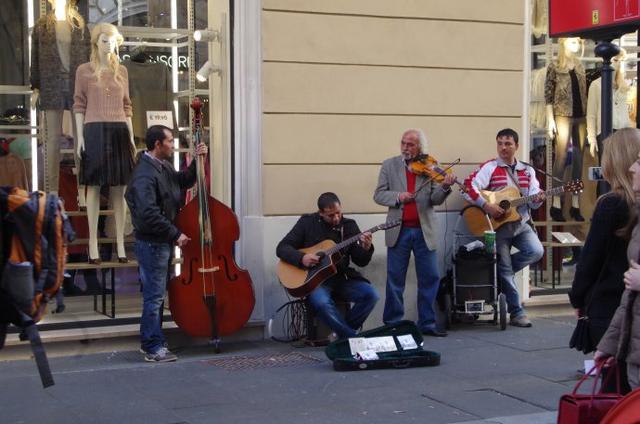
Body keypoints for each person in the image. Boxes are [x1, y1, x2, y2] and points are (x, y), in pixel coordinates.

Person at [125, 125, 207, 362]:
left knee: (156, 294)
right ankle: (152, 346)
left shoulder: (161, 166)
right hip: (153, 243)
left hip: (160, 242)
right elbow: (148, 213)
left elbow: (182, 181)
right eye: (170, 141)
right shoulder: (144, 174)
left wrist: (197, 160)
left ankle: (152, 340)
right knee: (154, 296)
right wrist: (175, 233)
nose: (173, 144)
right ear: (157, 145)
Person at [569, 129, 640, 392]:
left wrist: (578, 298)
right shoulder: (632, 205)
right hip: (626, 303)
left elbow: (591, 259)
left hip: (611, 305)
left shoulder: (612, 203)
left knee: (615, 388)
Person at [373, 128, 455, 337]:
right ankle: (393, 324)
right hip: (398, 231)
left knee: (429, 278)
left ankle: (426, 323)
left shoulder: (428, 166)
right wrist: (399, 196)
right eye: (403, 143)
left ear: (420, 147)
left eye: (410, 144)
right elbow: (379, 195)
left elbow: (434, 200)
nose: (405, 148)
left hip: (423, 230)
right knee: (395, 280)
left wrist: (445, 188)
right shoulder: (389, 165)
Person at [463, 128, 544, 328]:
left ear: (516, 146)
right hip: (497, 228)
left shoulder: (528, 171)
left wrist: (539, 199)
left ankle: (499, 273)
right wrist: (486, 205)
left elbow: (533, 201)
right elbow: (468, 188)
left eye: (508, 144)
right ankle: (517, 313)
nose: (503, 148)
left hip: (521, 224)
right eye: (500, 143)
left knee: (536, 251)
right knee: (506, 269)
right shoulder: (490, 167)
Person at [276, 192, 379, 339]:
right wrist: (302, 258)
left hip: (342, 278)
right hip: (316, 282)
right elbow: (282, 248)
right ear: (321, 214)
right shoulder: (307, 223)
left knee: (371, 295)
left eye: (338, 213)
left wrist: (366, 247)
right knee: (321, 302)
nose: (336, 218)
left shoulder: (349, 226)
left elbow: (361, 261)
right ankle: (351, 338)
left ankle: (340, 335)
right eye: (331, 215)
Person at [73, 23, 135, 263]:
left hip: (119, 129)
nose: (109, 45)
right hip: (94, 130)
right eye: (104, 41)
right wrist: (80, 137)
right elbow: (79, 104)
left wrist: (130, 135)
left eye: (112, 41)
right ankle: (92, 243)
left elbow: (127, 105)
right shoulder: (84, 71)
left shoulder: (122, 71)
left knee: (120, 189)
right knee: (95, 188)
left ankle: (120, 243)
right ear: (95, 43)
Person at [595, 130, 640, 389]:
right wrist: (608, 346)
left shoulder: (611, 204)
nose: (633, 167)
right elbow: (628, 299)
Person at [545, 37, 587, 221]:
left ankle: (575, 203)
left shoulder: (579, 65)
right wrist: (550, 120)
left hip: (581, 115)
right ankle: (556, 201)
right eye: (572, 42)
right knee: (561, 157)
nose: (576, 45)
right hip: (562, 113)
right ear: (563, 43)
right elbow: (548, 95)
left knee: (579, 158)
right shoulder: (554, 66)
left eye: (578, 42)